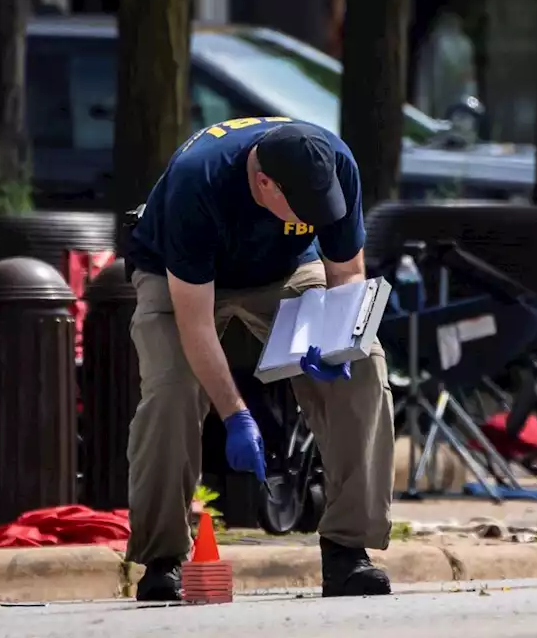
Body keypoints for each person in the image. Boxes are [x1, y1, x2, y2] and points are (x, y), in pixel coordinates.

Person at [122, 118, 395, 601]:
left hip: (283, 268)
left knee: (367, 366)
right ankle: (162, 559)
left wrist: (339, 337)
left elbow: (348, 271)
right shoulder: (197, 182)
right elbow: (196, 324)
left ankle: (347, 551)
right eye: (304, 209)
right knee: (171, 390)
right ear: (263, 182)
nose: (314, 217)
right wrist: (236, 415)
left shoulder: (334, 161)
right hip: (178, 277)